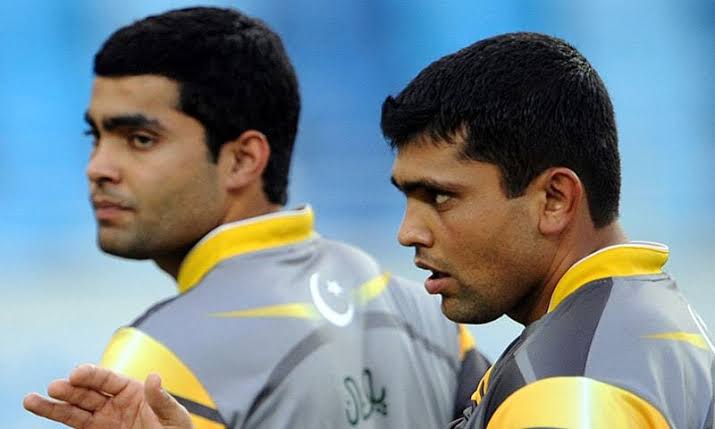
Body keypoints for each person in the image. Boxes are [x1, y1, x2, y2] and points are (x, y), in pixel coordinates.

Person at [22, 7, 490, 429]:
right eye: (96, 137)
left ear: (244, 159)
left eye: (139, 139)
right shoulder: (421, 311)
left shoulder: (155, 364)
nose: (98, 167)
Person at [383, 32, 714, 428]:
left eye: (440, 197)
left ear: (554, 200)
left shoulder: (566, 389)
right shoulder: (647, 322)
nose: (408, 233)